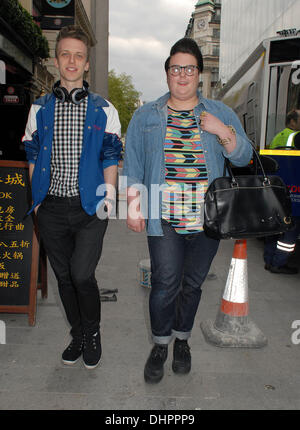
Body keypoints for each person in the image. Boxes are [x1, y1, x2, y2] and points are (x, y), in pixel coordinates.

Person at [122, 37, 253, 383]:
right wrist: (134, 205)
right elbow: (132, 163)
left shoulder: (220, 113)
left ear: (199, 75)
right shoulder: (146, 115)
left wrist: (222, 131)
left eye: (189, 69)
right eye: (176, 68)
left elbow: (243, 156)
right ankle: (160, 344)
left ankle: (182, 340)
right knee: (165, 283)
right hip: (163, 216)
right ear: (167, 74)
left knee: (192, 285)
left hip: (207, 219)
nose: (182, 75)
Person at [23, 26, 122, 369]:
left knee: (82, 275)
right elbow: (33, 154)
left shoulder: (104, 109)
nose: (71, 61)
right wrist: (36, 202)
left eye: (78, 55)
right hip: (50, 208)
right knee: (64, 278)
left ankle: (93, 333)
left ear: (86, 63)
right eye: (65, 54)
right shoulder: (39, 108)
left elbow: (111, 155)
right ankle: (77, 334)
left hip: (90, 208)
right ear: (56, 59)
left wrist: (108, 195)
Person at [264, 109, 300, 274]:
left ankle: (269, 260)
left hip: (278, 188)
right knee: (290, 229)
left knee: (275, 225)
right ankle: (279, 262)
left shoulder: (278, 136)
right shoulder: (294, 137)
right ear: (292, 122)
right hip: (293, 189)